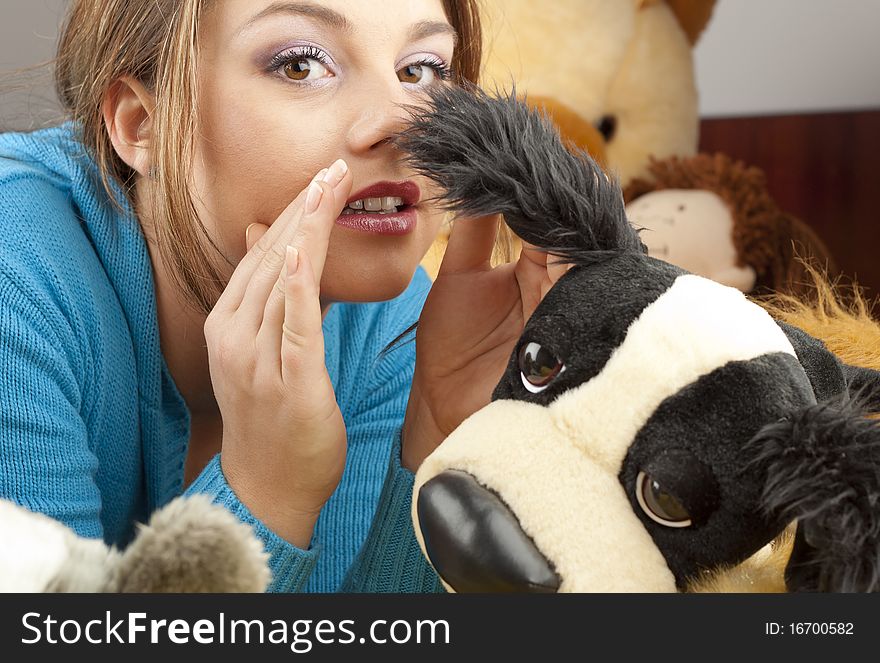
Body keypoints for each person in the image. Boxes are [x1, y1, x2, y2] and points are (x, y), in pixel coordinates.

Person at [0, 0, 566, 592]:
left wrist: (435, 446)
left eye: (420, 70)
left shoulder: (395, 328)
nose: (403, 125)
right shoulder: (16, 285)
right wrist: (263, 492)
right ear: (144, 125)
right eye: (301, 65)